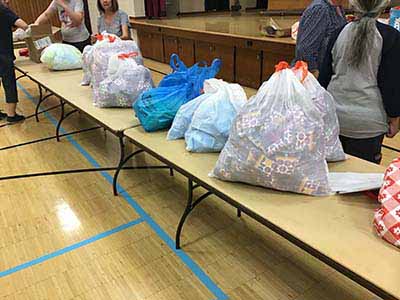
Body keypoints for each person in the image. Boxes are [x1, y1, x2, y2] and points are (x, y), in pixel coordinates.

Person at [319, 0, 400, 164]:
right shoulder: (390, 36)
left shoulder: (338, 33)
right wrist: (395, 117)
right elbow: (391, 84)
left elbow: (324, 78)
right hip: (369, 123)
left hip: (335, 118)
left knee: (334, 175)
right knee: (362, 181)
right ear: (383, 6)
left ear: (354, 5)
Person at [295, 0, 347, 78]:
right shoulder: (320, 9)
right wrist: (315, 73)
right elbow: (305, 49)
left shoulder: (338, 8)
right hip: (316, 75)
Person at [0, 0, 28, 122]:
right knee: (9, 83)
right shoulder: (4, 10)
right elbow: (24, 25)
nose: (8, 1)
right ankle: (11, 115)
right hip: (3, 54)